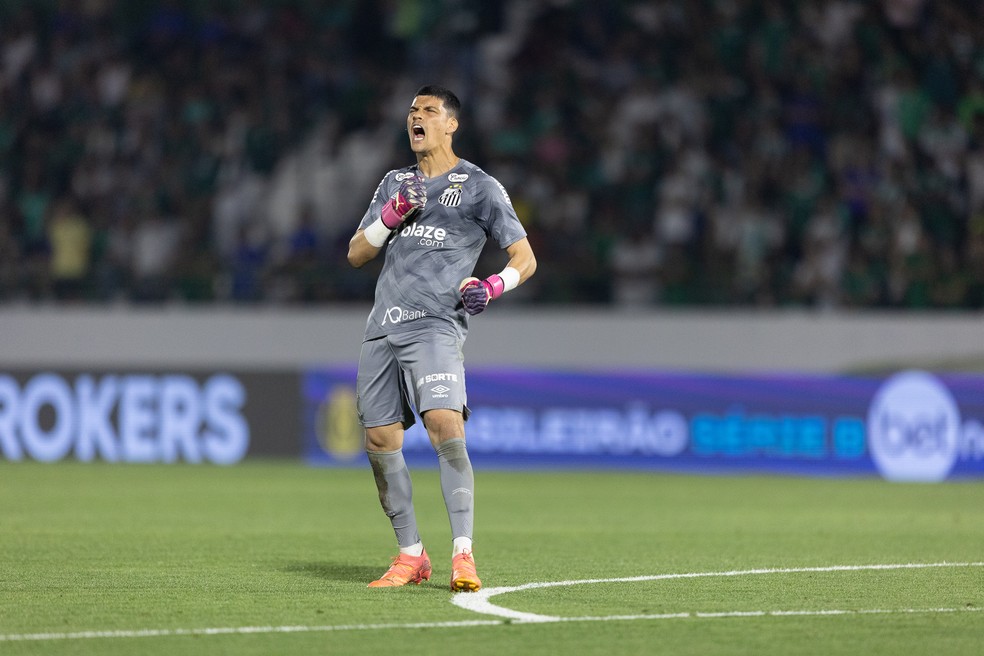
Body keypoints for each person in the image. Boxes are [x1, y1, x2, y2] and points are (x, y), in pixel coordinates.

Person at [347, 85, 537, 591]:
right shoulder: (394, 183)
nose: (417, 116)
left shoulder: (479, 187)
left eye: (429, 110)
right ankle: (411, 555)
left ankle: (463, 556)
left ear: (451, 124)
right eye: (412, 110)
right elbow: (356, 254)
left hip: (435, 324)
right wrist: (389, 219)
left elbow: (525, 258)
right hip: (382, 327)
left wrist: (493, 285)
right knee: (379, 439)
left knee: (443, 424)